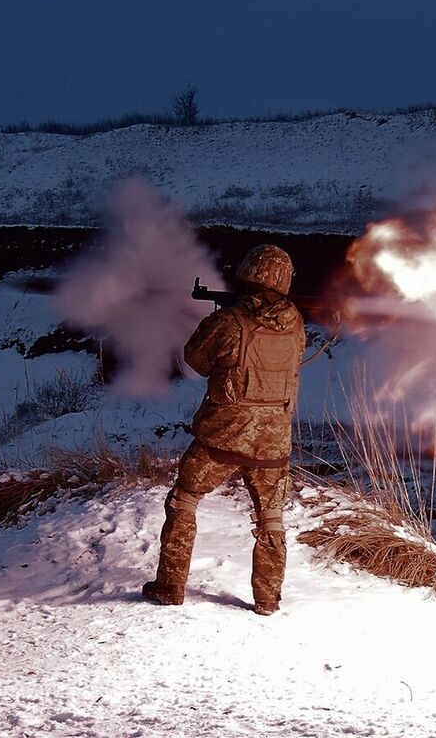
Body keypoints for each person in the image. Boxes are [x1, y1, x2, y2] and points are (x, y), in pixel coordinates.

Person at [143, 244, 306, 614]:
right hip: (273, 442)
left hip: (222, 437)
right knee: (270, 516)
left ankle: (170, 586)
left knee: (183, 500)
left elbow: (196, 360)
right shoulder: (295, 322)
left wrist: (223, 318)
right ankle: (267, 598)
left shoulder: (229, 323)